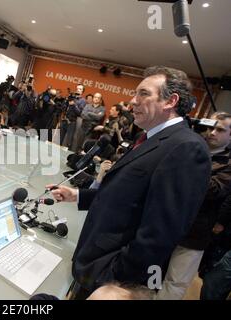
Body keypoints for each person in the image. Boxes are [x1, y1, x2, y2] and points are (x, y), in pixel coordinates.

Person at [48, 66, 211, 299]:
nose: (132, 101)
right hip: (93, 264)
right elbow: (126, 196)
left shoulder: (186, 148)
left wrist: (114, 276)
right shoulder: (147, 138)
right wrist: (78, 195)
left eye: (143, 94)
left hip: (112, 282)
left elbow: (159, 234)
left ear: (170, 101)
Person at [156, 112, 231, 300]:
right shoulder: (186, 147)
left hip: (194, 233)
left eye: (220, 129)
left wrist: (194, 157)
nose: (212, 132)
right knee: (153, 273)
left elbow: (212, 190)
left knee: (175, 282)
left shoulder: (227, 164)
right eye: (208, 127)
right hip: (164, 224)